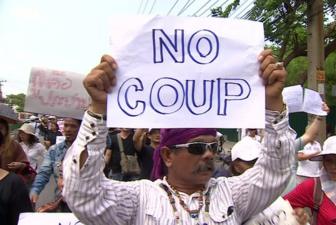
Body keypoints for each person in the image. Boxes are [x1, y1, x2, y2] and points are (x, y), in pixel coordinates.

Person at [62, 49, 295, 225]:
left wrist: (273, 103)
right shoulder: (141, 198)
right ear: (167, 155)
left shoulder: (231, 194)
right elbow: (84, 195)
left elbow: (275, 172)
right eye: (196, 147)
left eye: (214, 147)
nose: (208, 154)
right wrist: (99, 109)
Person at [228, 137, 308, 225]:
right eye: (252, 162)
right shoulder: (227, 200)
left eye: (261, 161)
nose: (258, 167)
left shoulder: (272, 194)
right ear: (237, 167)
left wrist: (298, 221)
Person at [30, 118, 81, 211]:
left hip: (85, 204)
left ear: (81, 128)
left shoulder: (89, 150)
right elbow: (44, 172)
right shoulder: (55, 150)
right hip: (62, 203)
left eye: (73, 126)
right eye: (66, 125)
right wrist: (35, 190)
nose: (68, 129)